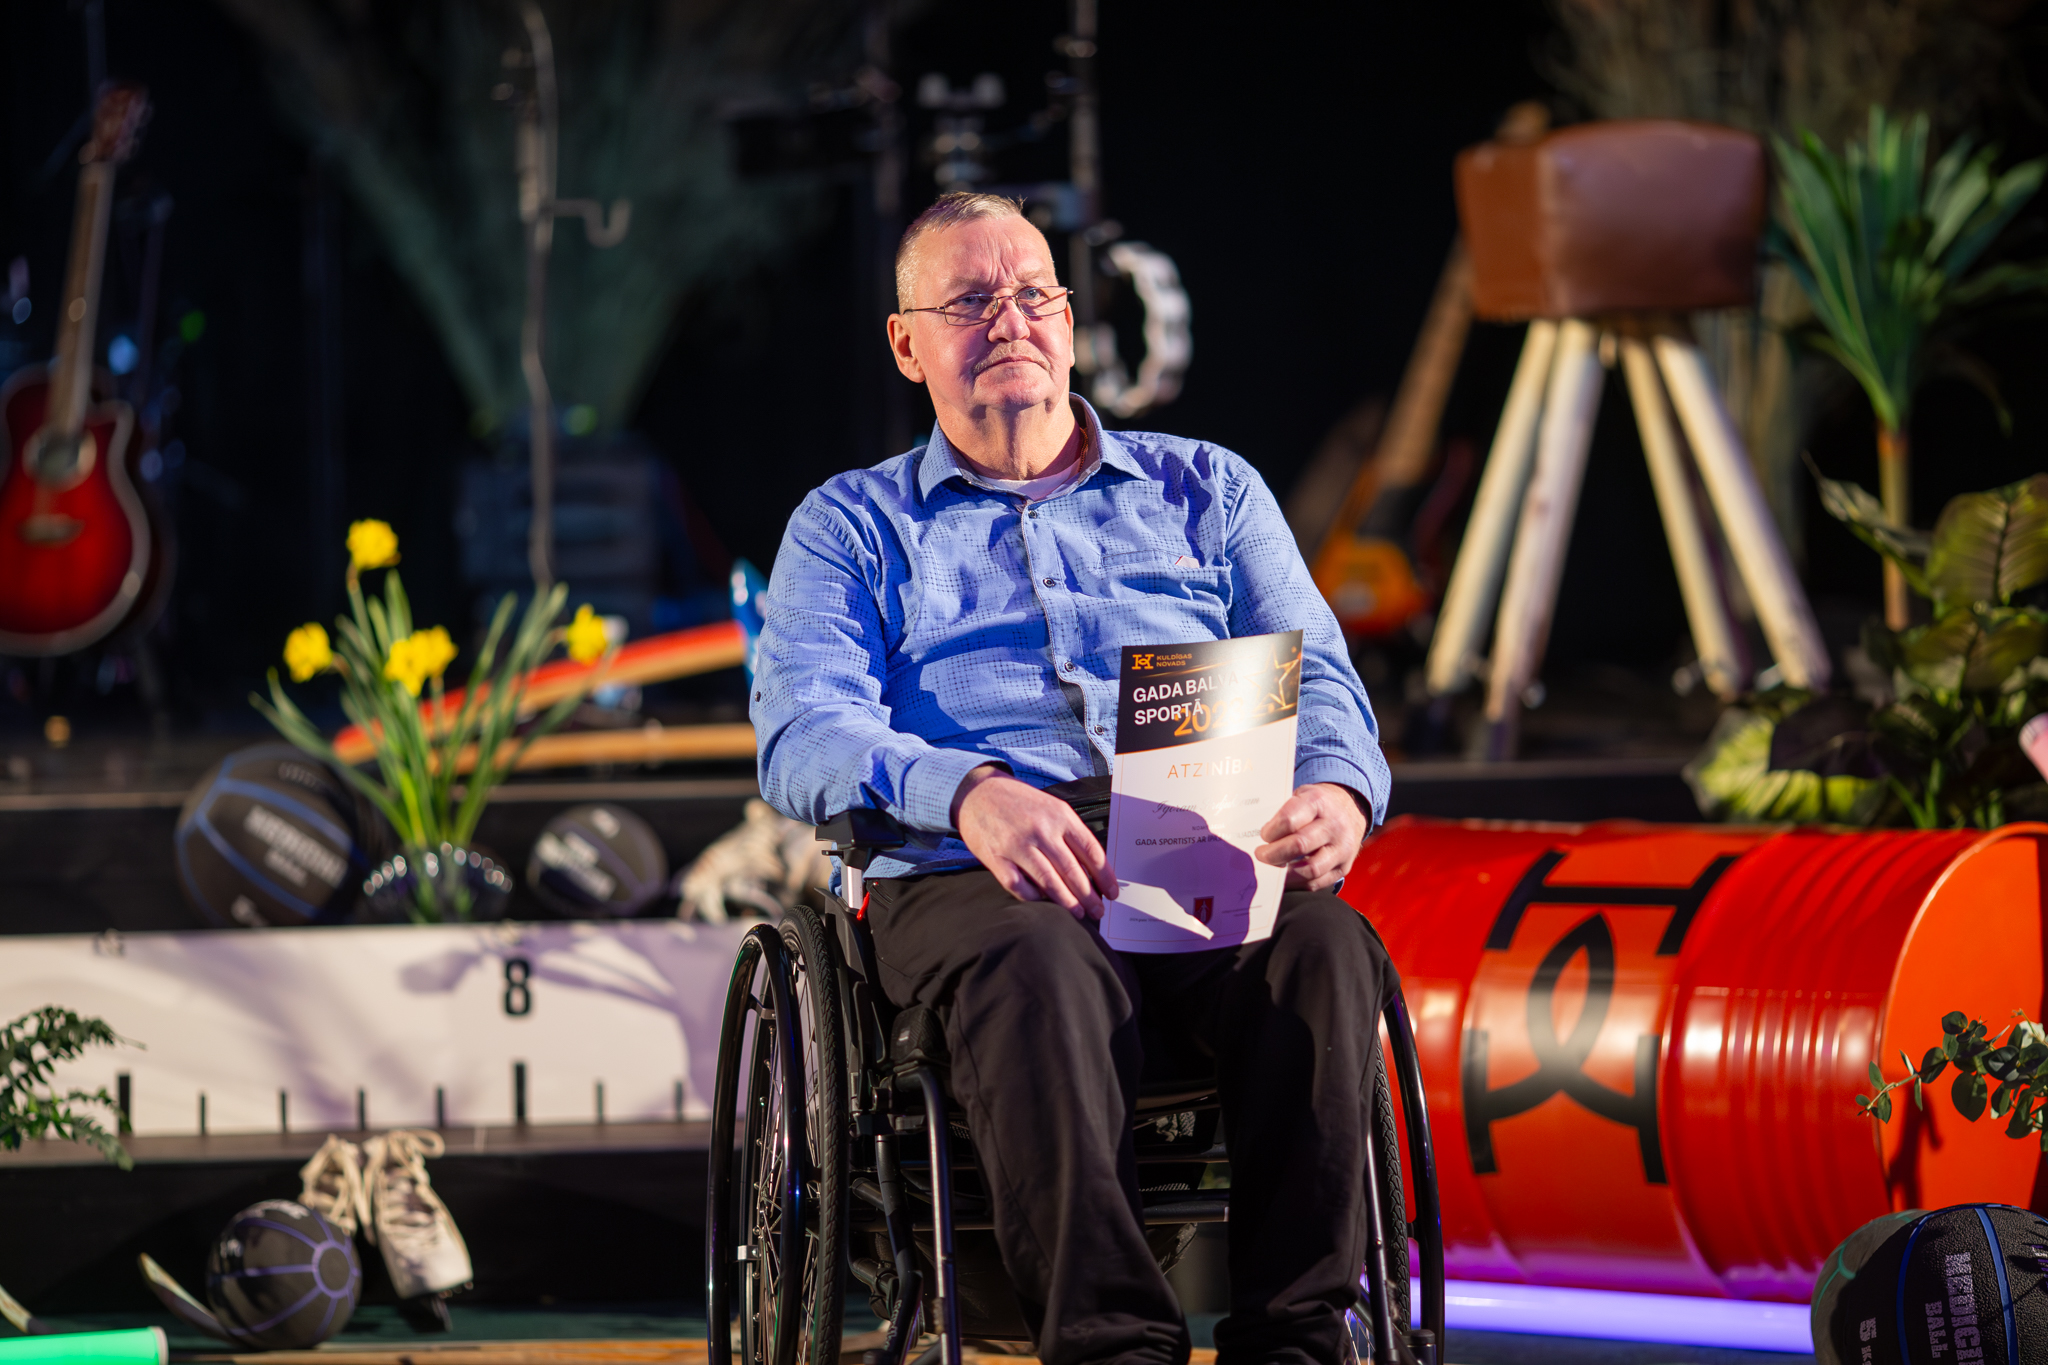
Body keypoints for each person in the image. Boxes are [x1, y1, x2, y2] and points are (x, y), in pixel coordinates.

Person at [752, 191, 1396, 1365]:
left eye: (1031, 293)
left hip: (1198, 838)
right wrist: (965, 790)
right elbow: (801, 732)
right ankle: (1111, 1349)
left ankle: (1299, 1340)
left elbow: (1322, 680)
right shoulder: (850, 526)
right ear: (906, 344)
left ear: (1065, 317)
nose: (1009, 320)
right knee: (1038, 962)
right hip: (969, 866)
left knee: (1325, 946)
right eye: (968, 301)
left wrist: (1340, 792)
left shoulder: (1207, 489)